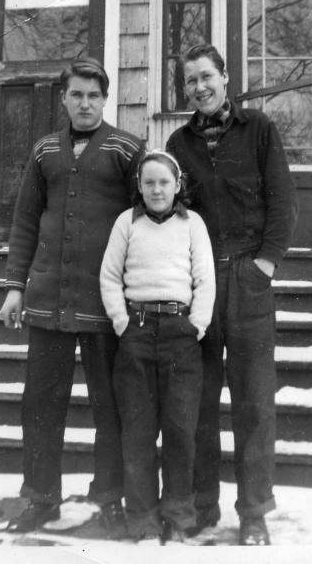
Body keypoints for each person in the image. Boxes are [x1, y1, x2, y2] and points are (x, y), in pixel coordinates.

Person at [0, 58, 145, 534]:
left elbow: (143, 225)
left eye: (94, 96)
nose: (85, 103)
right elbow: (24, 223)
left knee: (112, 405)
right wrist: (14, 287)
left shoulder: (127, 149)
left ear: (106, 99)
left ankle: (110, 498)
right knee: (40, 403)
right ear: (63, 98)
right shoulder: (44, 151)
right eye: (77, 94)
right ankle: (42, 497)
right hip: (47, 300)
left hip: (107, 305)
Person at [166, 44, 298, 545]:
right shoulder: (178, 143)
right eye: (191, 81)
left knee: (253, 400)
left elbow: (283, 201)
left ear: (225, 77)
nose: (200, 87)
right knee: (197, 400)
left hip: (247, 278)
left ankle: (254, 512)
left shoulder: (258, 129)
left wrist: (265, 263)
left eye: (207, 77)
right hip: (200, 283)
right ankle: (203, 506)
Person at [100, 151, 215, 543]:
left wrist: (195, 325)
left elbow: (205, 280)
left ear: (177, 185)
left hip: (180, 335)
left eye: (164, 182)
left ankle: (179, 517)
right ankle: (144, 520)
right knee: (138, 431)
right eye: (149, 182)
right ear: (139, 187)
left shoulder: (191, 224)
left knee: (181, 430)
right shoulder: (126, 223)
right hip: (137, 332)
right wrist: (122, 322)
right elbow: (110, 277)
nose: (156, 189)